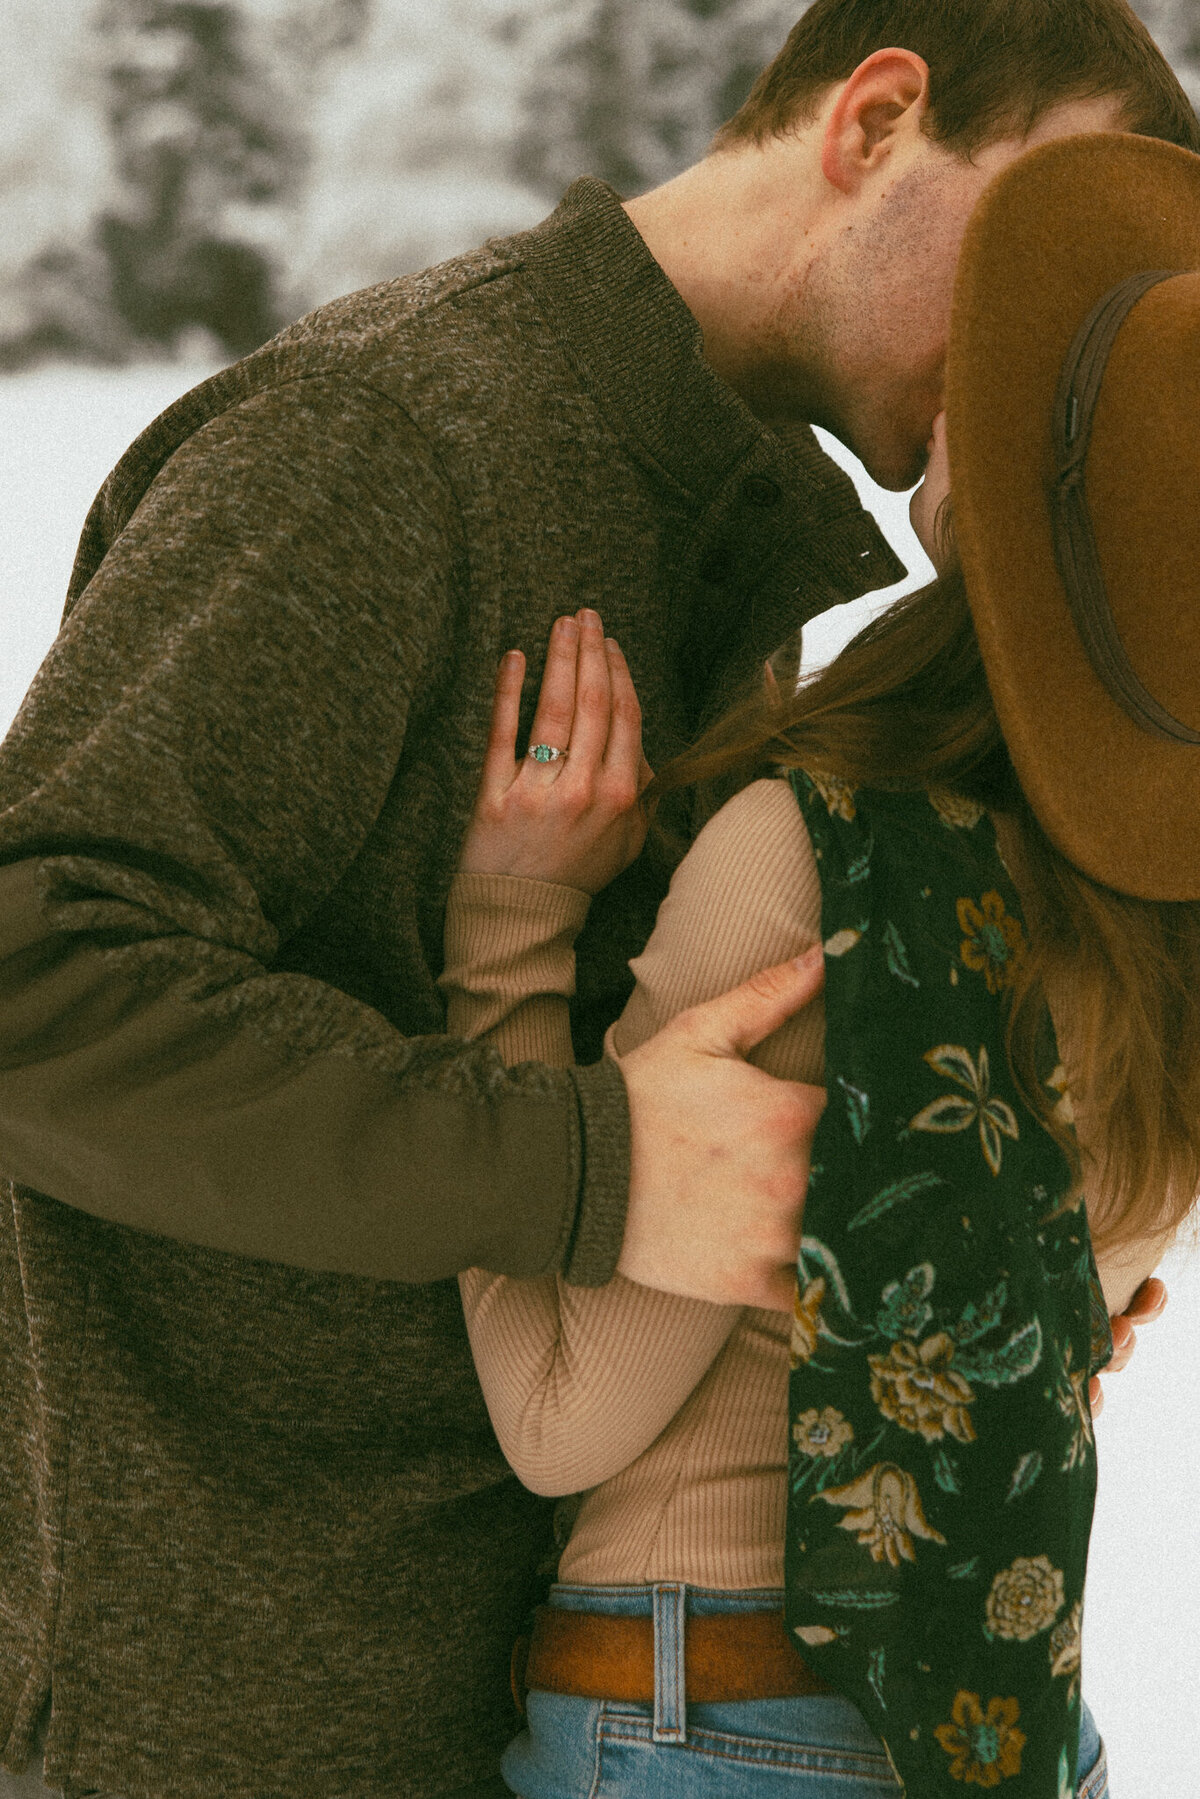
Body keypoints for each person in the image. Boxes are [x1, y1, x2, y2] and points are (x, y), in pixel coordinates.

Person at [0, 3, 1189, 1795]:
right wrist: (591, 1166)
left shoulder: (719, 524)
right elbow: (35, 981)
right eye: (1038, 237)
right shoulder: (379, 442)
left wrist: (950, 1254)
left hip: (538, 1679)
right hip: (238, 1701)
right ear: (876, 119)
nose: (1059, 335)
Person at [438, 129, 1200, 1796]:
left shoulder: (820, 866)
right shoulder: (1178, 962)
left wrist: (508, 929)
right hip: (998, 1736)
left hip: (708, 1724)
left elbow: (560, 1415)